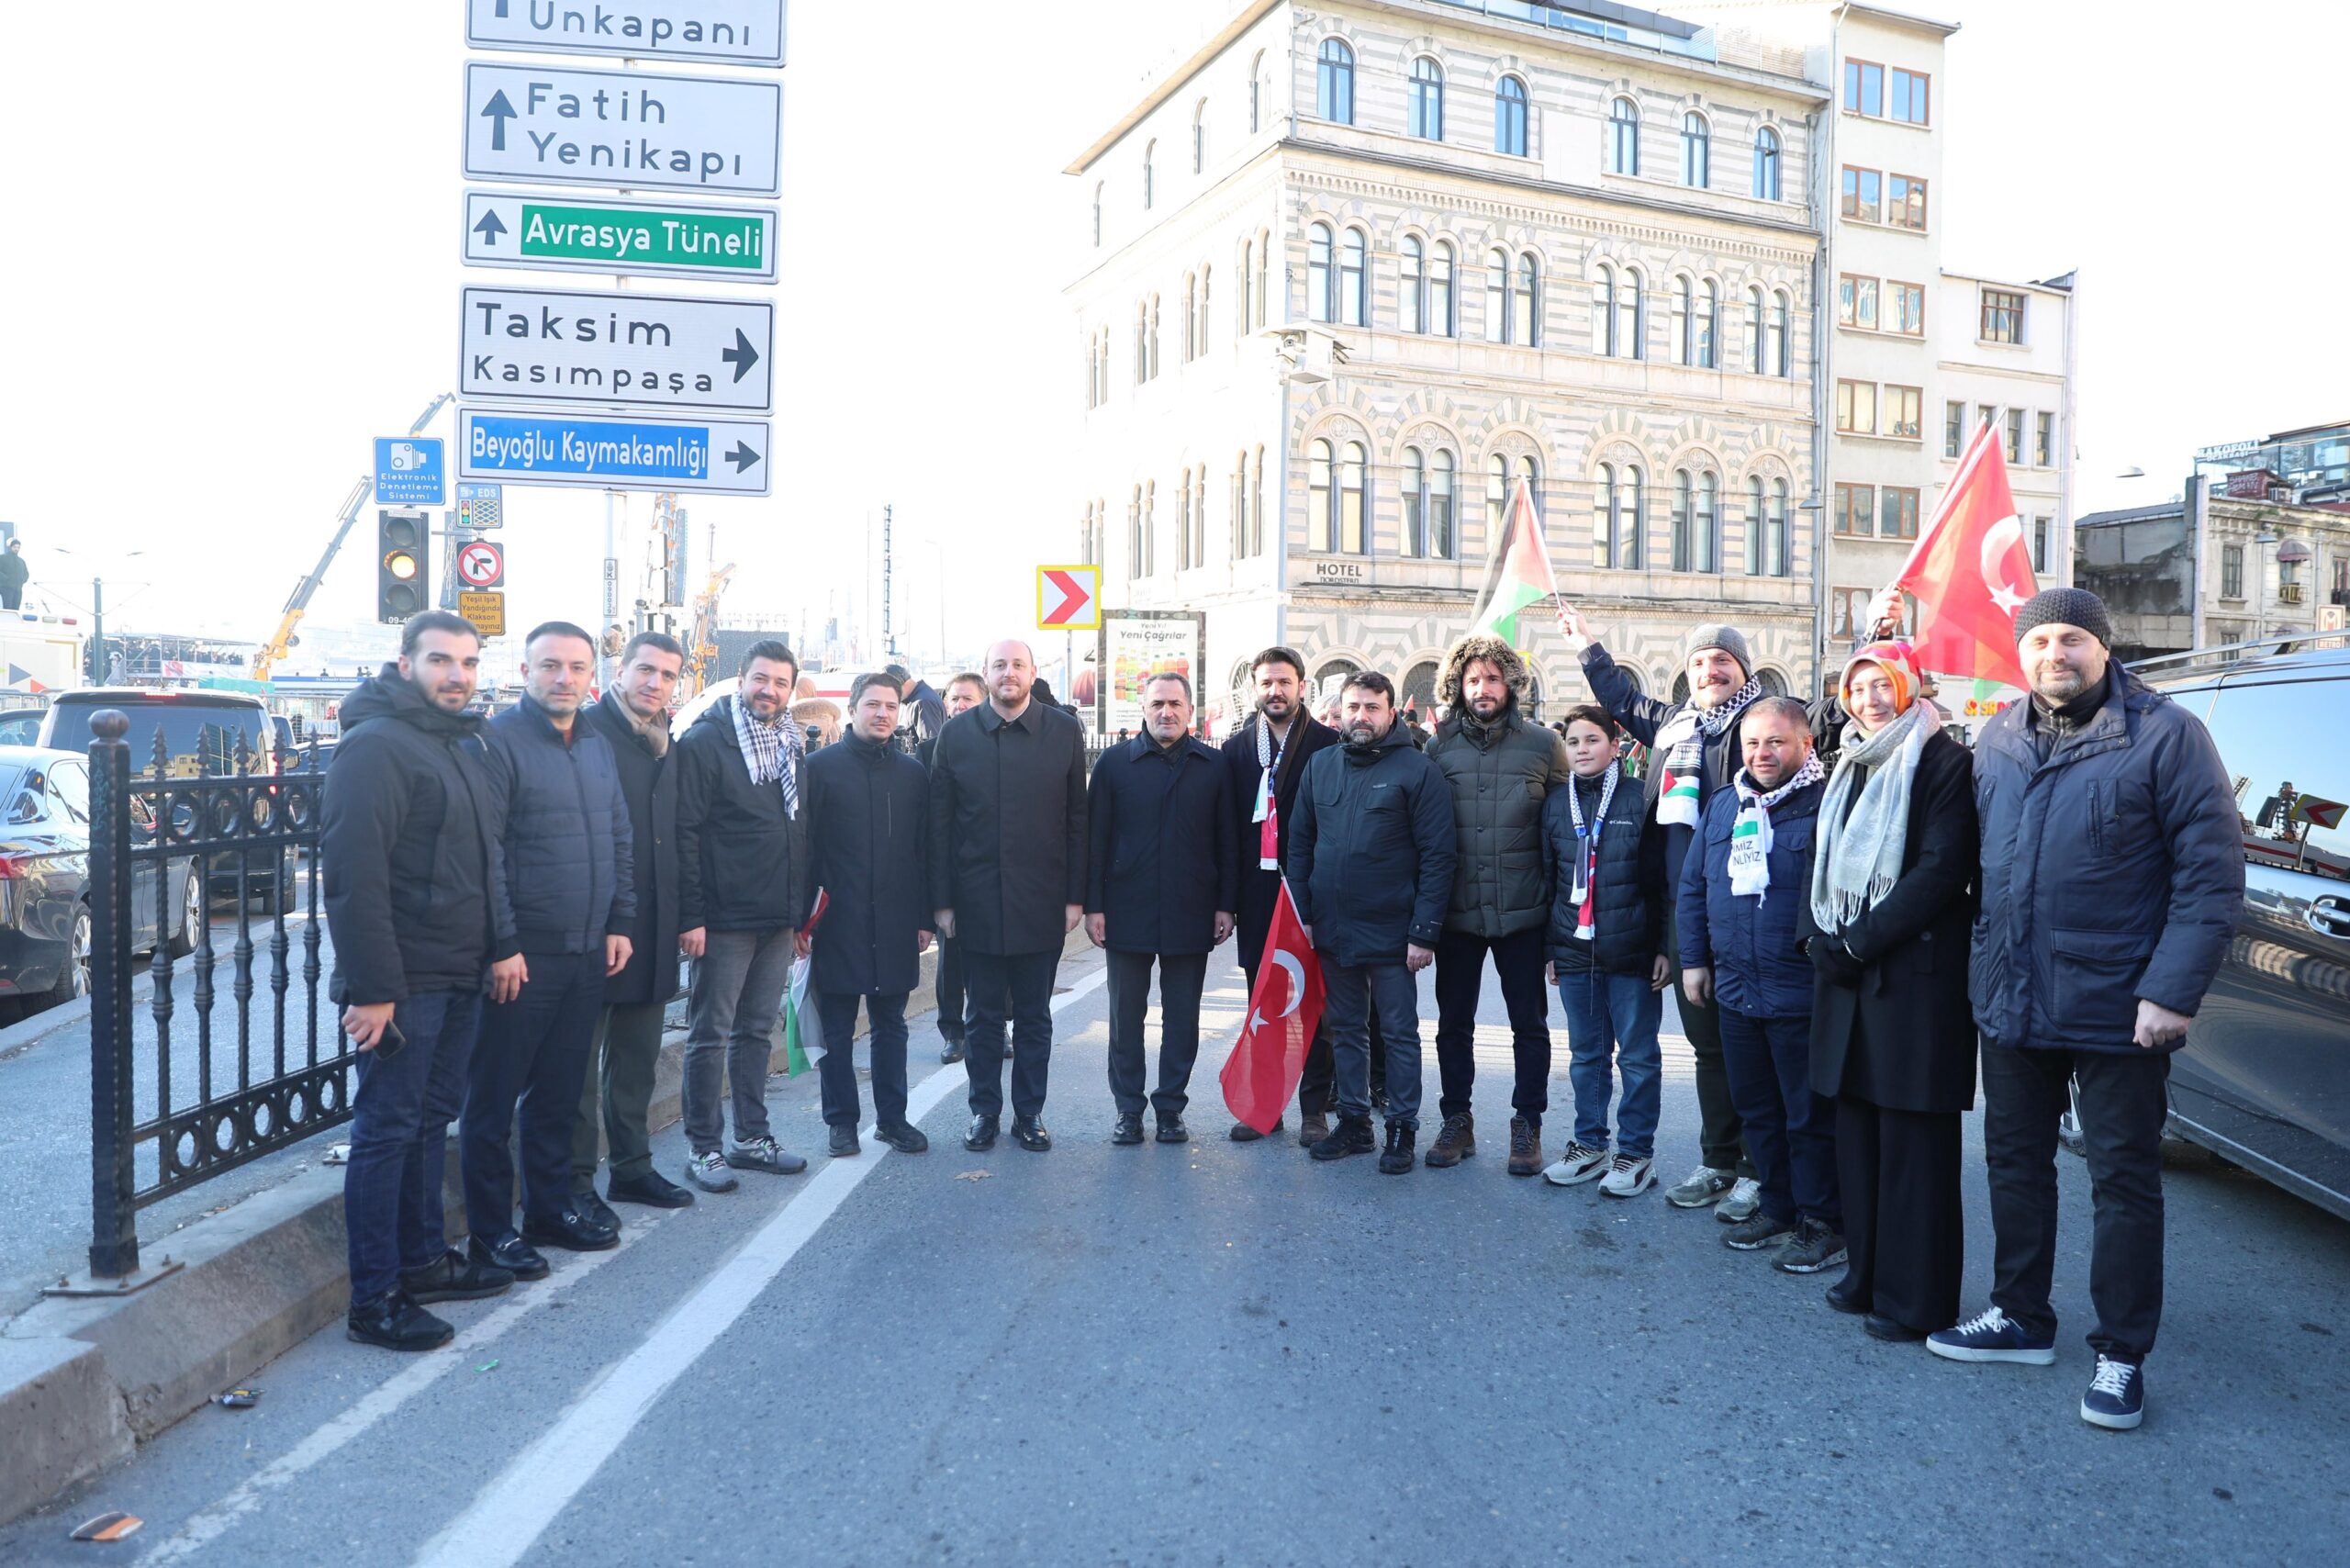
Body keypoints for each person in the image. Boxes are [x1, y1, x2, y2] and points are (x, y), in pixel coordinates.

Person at [1929, 588, 2242, 1433]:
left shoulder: (2166, 735)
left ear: (2104, 648)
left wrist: (2171, 991)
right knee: (2014, 1164)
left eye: (2071, 638)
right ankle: (2021, 1315)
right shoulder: (1996, 735)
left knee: (2124, 1182)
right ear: (2019, 653)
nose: (2053, 654)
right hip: (2011, 993)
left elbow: (2210, 877)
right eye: (2038, 641)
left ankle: (2121, 1353)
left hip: (2120, 1004)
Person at [322, 611, 509, 1350]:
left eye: (467, 662)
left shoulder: (456, 742)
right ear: (405, 664)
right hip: (403, 983)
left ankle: (425, 1262)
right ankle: (374, 1299)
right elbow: (353, 877)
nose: (457, 675)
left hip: (460, 971)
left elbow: (484, 859)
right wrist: (373, 991)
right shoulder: (375, 748)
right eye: (440, 661)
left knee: (430, 1125)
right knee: (385, 1133)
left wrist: (501, 946)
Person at [1562, 607, 1768, 1220]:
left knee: (1749, 1044)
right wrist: (1587, 647)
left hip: (1743, 907)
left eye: (1722, 661)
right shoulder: (1675, 725)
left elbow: (1827, 719)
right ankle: (1719, 1160)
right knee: (1707, 1046)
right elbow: (1619, 696)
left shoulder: (1758, 724)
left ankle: (1760, 1169)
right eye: (1700, 662)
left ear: (1744, 671)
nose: (1710, 670)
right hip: (1684, 908)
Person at [1797, 642, 1976, 1342]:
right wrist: (1817, 940)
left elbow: (1940, 871)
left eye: (1884, 684)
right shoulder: (1848, 762)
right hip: (1847, 976)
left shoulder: (1944, 762)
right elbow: (1821, 858)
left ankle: (1916, 1301)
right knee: (1859, 1139)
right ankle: (1866, 1274)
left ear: (1910, 687)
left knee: (1913, 1149)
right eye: (1859, 686)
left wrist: (1857, 941)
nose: (1871, 697)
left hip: (1912, 980)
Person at [463, 622, 635, 1278]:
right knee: (492, 1099)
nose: (564, 679)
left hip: (586, 948)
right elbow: (489, 854)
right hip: (522, 955)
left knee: (561, 1092)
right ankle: (489, 1231)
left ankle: (548, 1208)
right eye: (551, 666)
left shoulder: (594, 742)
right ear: (527, 670)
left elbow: (619, 834)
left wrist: (620, 919)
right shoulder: (497, 742)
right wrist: (502, 944)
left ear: (594, 674)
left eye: (577, 667)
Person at [1677, 697, 1843, 1272]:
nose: (1762, 753)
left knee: (1808, 1117)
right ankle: (1777, 1205)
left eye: (1776, 742)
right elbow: (1694, 888)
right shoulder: (1725, 805)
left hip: (1800, 991)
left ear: (1805, 745)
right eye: (1753, 743)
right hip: (1736, 989)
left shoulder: (1827, 805)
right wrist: (1694, 960)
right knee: (1758, 1110)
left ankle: (1823, 1222)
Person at [1289, 672, 1457, 1174]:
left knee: (1399, 1034)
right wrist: (1306, 917)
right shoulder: (1321, 766)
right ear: (1340, 712)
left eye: (1372, 708)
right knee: (1344, 1030)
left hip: (1394, 931)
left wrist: (1423, 932)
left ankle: (1402, 1130)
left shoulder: (1418, 770)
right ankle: (1356, 1125)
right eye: (1353, 707)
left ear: (1391, 713)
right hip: (1333, 928)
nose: (1360, 717)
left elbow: (1438, 855)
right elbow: (1299, 847)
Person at [928, 639, 1089, 1153]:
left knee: (1036, 1016)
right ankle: (983, 1113)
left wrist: (1074, 898)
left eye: (1018, 665)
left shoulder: (1063, 731)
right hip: (974, 904)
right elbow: (940, 826)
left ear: (1032, 673)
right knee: (981, 1018)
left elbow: (1076, 822)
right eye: (999, 665)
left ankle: (1030, 1114)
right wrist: (943, 903)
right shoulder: (955, 736)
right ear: (986, 674)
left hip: (1041, 902)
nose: (1009, 673)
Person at [1424, 633, 1573, 1176]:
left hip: (1524, 911)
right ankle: (1456, 1119)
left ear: (1510, 683)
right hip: (1459, 912)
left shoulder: (1542, 744)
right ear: (1457, 687)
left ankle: (1527, 1123)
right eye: (1472, 679)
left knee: (1528, 1024)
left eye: (1492, 678)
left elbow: (1562, 831)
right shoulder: (1438, 746)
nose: (1482, 688)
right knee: (1453, 1023)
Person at [674, 641, 814, 1193]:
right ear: (741, 679)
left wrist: (799, 914)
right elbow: (686, 832)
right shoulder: (708, 742)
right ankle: (703, 1147)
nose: (769, 691)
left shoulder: (789, 744)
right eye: (761, 679)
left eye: (780, 683)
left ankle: (750, 1138)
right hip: (723, 918)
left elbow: (796, 831)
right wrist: (692, 915)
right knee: (710, 1033)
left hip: (776, 916)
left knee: (756, 1031)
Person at [1087, 670, 1237, 1145]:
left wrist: (1225, 905)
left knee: (1182, 1017)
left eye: (1175, 704)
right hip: (1126, 909)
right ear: (1144, 711)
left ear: (1190, 712)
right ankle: (1128, 1110)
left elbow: (1227, 843)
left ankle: (1170, 1108)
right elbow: (1095, 842)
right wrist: (1095, 906)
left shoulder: (1214, 766)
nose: (1166, 712)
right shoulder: (1114, 765)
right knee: (1124, 1017)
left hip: (1191, 909)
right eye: (1157, 704)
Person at [574, 631, 694, 1216]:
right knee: (578, 1072)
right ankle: (573, 1184)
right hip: (594, 930)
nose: (655, 683)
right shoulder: (586, 734)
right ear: (620, 672)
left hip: (651, 930)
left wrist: (685, 916)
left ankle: (632, 1169)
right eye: (645, 670)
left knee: (637, 1061)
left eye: (667, 675)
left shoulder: (668, 744)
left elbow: (679, 839)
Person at [1540, 704, 1670, 1198]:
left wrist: (1662, 947)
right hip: (1574, 949)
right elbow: (1549, 880)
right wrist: (1550, 948)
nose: (1582, 750)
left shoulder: (1642, 799)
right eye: (1573, 742)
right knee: (1586, 1055)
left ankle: (1635, 1153)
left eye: (1592, 740)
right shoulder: (1555, 804)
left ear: (1615, 746)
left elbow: (1660, 883)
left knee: (1636, 1056)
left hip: (1632, 951)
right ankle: (1589, 1143)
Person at [805, 672, 935, 1156]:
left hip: (898, 919)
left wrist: (924, 917)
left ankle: (893, 1119)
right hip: (838, 918)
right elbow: (805, 851)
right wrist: (803, 920)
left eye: (891, 706)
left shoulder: (912, 774)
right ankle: (841, 1122)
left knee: (891, 1025)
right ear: (854, 709)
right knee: (838, 1026)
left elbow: (924, 851)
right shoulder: (819, 768)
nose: (883, 713)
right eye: (873, 705)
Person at [1217, 646, 1342, 1143]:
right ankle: (1264, 1108)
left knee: (1315, 1001)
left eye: (1284, 682)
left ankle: (1315, 1109)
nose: (1275, 691)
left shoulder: (1327, 744)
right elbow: (1227, 833)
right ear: (1254, 689)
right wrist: (1225, 902)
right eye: (1267, 683)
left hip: (1310, 892)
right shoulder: (1236, 750)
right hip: (1257, 894)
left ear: (1301, 686)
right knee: (1262, 1003)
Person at [919, 672, 987, 1065]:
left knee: (998, 961)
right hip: (952, 872)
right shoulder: (929, 750)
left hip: (992, 874)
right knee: (952, 959)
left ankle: (998, 1026)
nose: (960, 705)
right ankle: (953, 1031)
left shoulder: (997, 745)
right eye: (954, 698)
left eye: (968, 699)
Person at [0, 537, 27, 610]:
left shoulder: (21, 561)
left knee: (16, 610)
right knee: (8, 609)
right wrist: (6, 579)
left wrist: (22, 580)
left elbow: (26, 573)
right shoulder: (3, 558)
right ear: (10, 547)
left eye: (18, 547)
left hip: (18, 589)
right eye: (14, 547)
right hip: (6, 588)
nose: (16, 549)